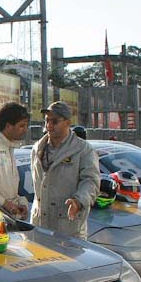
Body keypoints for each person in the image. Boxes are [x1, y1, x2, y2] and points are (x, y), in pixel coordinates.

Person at [30, 101, 99, 238]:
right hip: (40, 226)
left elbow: (91, 182)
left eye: (54, 121)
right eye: (46, 121)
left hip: (68, 228)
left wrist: (78, 201)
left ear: (68, 122)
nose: (49, 126)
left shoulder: (82, 150)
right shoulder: (38, 148)